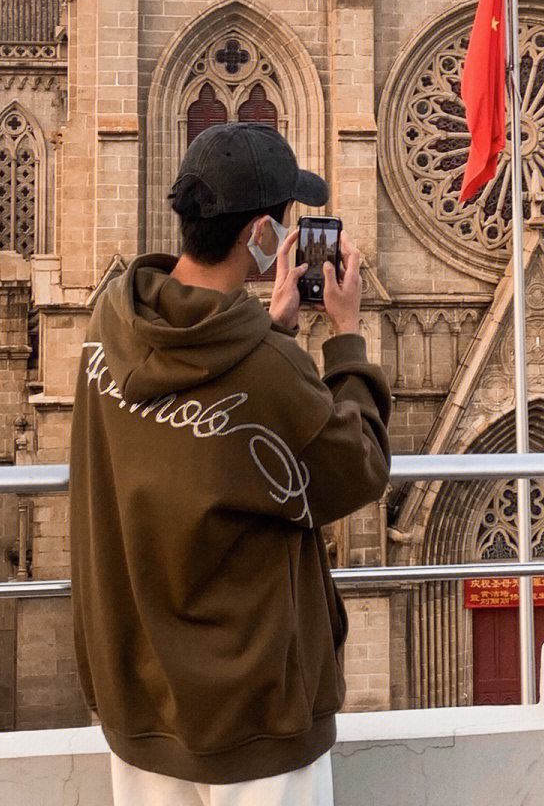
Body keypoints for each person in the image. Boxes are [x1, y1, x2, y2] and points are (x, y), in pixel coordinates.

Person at [70, 121, 392, 806]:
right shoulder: (266, 371)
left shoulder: (110, 327)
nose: (290, 229)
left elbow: (201, 439)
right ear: (258, 236)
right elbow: (357, 467)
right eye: (284, 218)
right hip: (255, 713)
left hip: (141, 694)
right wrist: (346, 341)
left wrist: (269, 334)